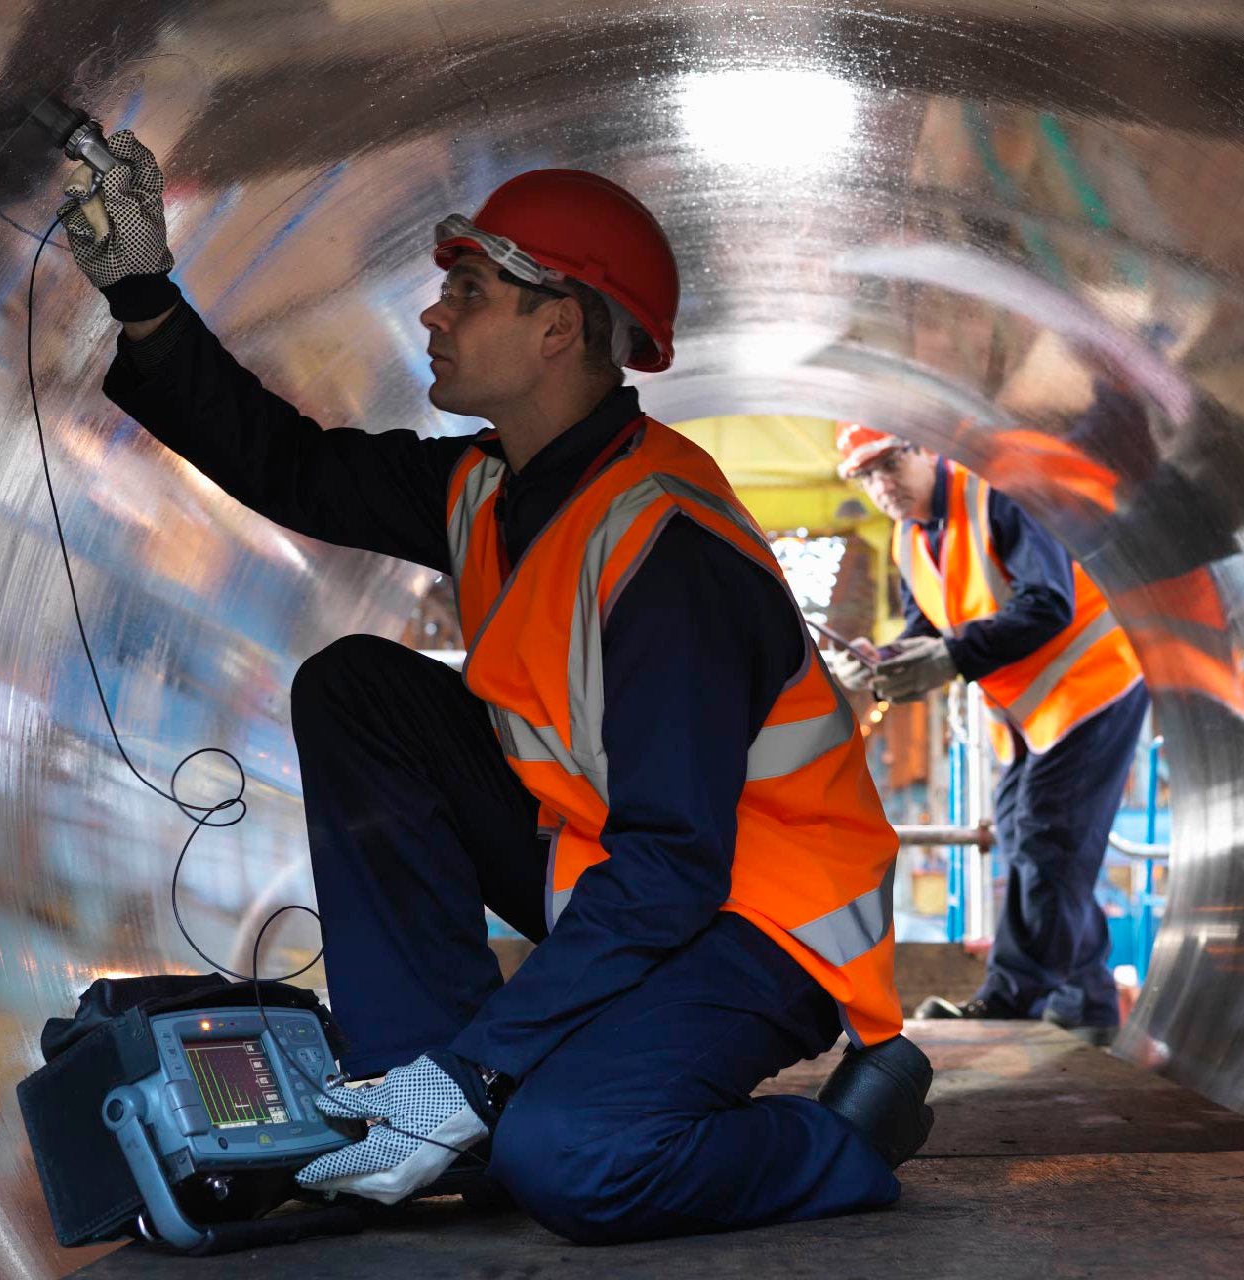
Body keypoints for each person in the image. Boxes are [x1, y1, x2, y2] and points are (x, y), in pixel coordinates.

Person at [58, 132, 932, 1244]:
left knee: (575, 1156)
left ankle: (842, 1139)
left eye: (466, 292)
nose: (432, 316)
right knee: (358, 688)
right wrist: (142, 291)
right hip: (610, 869)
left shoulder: (667, 548)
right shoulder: (488, 486)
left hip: (756, 920)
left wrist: (483, 1068)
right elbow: (293, 465)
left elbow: (674, 864)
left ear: (558, 324)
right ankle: (415, 1096)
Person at [830, 424, 1153, 1045]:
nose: (881, 486)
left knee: (1045, 835)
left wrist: (949, 657)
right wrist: (880, 661)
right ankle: (1084, 997)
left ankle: (1017, 1000)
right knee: (1029, 834)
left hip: (1092, 687)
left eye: (889, 465)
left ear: (924, 450)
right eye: (864, 477)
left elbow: (1049, 602)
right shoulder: (909, 541)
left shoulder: (998, 495)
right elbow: (931, 631)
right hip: (1036, 714)